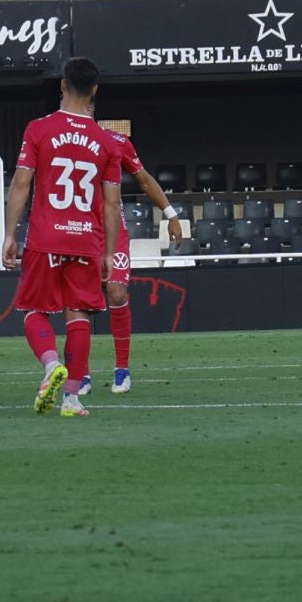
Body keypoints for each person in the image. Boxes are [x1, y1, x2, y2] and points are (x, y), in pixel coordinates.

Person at [2, 56, 122, 418]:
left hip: (45, 237)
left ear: (62, 85)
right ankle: (72, 399)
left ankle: (52, 364)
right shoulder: (107, 141)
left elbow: (22, 182)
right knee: (79, 314)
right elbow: (112, 204)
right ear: (95, 91)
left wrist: (10, 233)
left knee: (33, 310)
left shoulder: (39, 129)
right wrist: (109, 253)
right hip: (86, 239)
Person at [96, 115, 185, 396]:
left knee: (118, 293)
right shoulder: (63, 141)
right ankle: (79, 374)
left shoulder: (117, 141)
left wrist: (170, 214)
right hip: (79, 230)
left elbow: (143, 179)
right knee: (78, 301)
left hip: (114, 233)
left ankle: (122, 369)